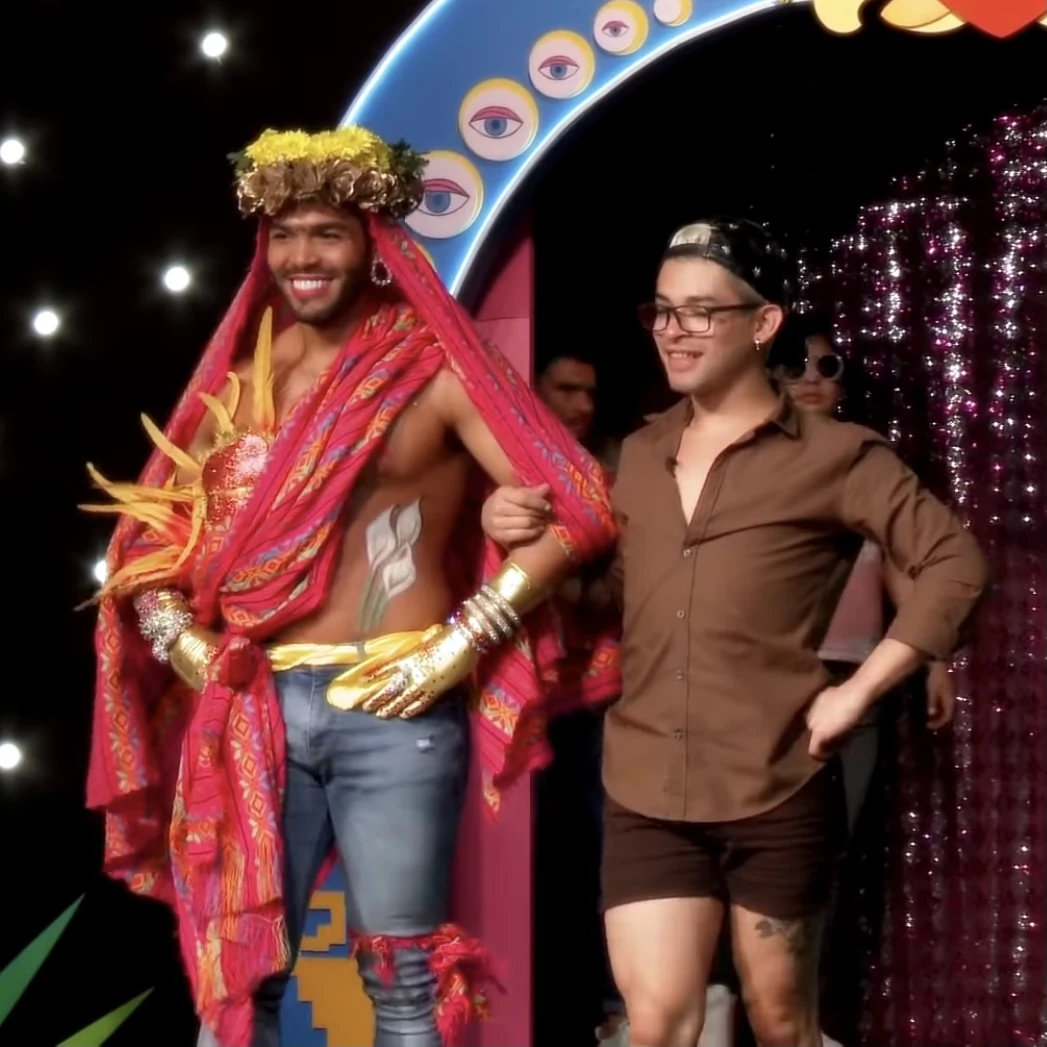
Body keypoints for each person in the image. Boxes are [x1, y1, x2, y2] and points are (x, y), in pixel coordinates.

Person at [81, 127, 618, 1047]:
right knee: (238, 979)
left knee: (403, 980)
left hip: (396, 704)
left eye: (326, 232)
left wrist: (459, 646)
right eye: (284, 234)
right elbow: (147, 549)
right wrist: (183, 641)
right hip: (256, 707)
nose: (303, 256)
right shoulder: (240, 388)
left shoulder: (434, 367)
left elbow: (581, 509)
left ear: (373, 240)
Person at [479, 217, 988, 1047]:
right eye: (662, 311)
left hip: (776, 779)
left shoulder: (837, 454)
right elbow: (611, 597)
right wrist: (520, 541)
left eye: (700, 312)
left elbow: (955, 564)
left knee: (779, 1019)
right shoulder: (639, 455)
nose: (673, 332)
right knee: (657, 1023)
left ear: (762, 323)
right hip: (646, 781)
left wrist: (858, 690)